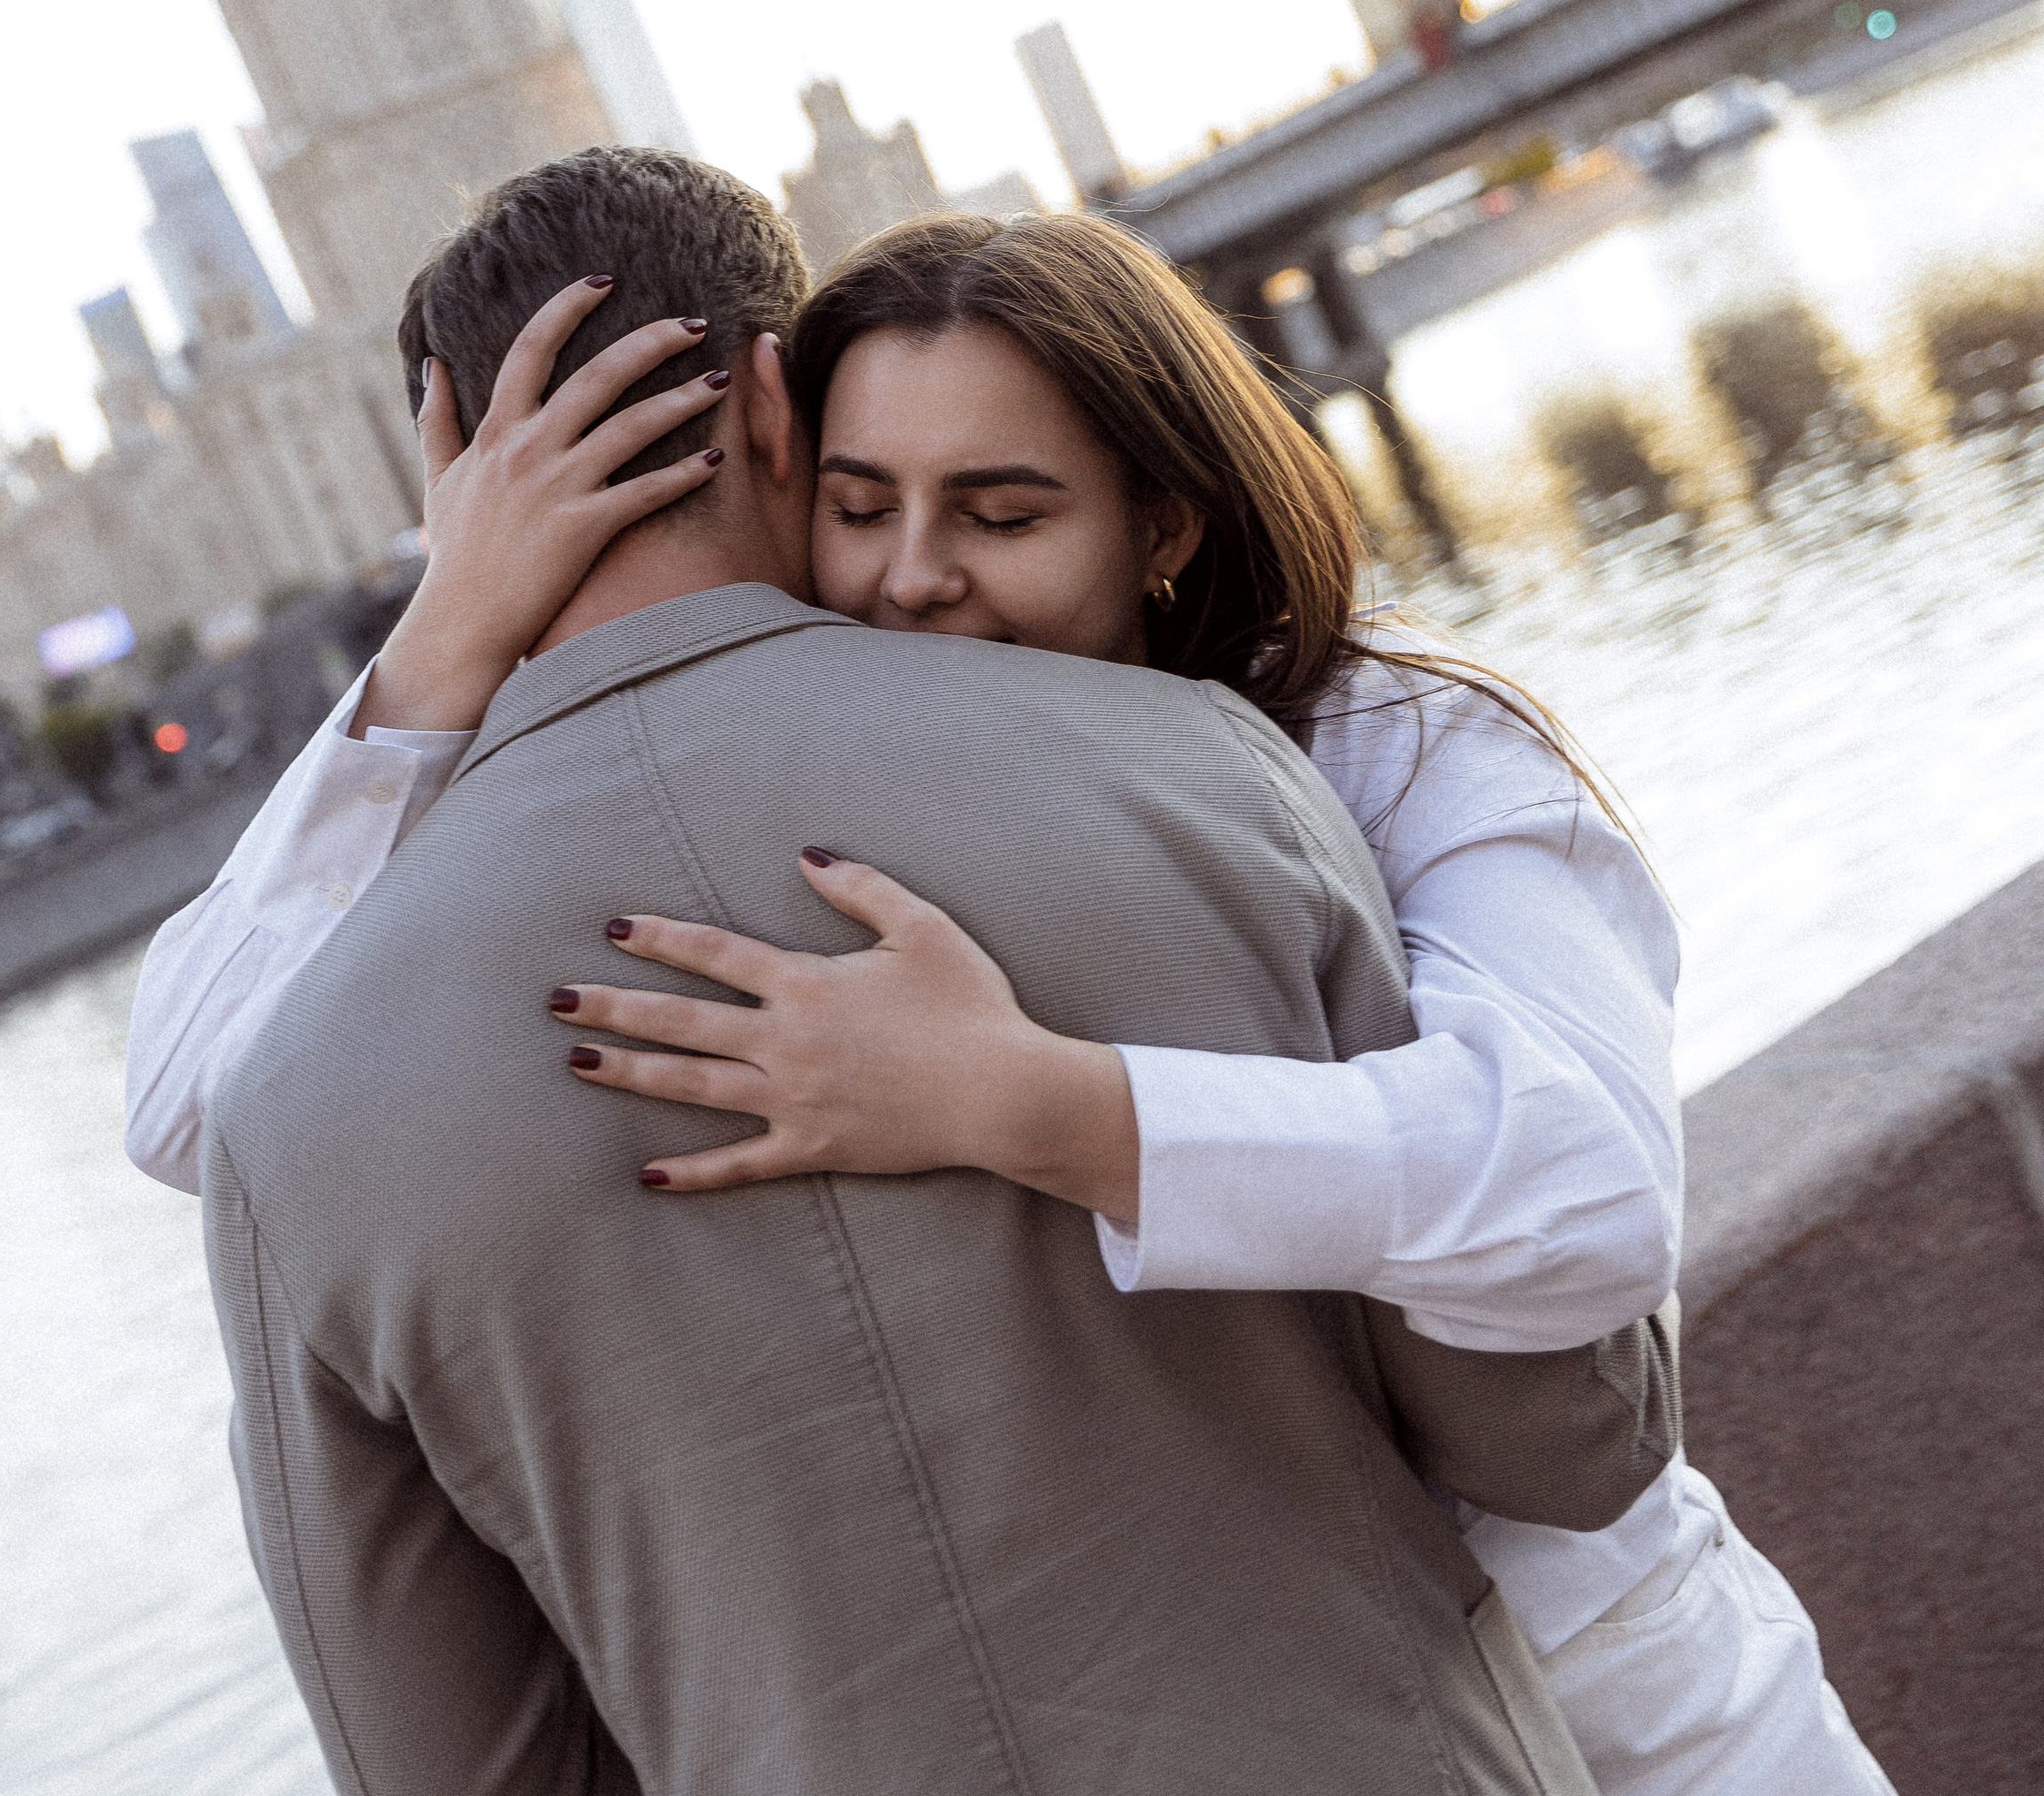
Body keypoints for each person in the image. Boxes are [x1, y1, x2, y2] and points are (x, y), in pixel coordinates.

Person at [130, 177, 1887, 1795]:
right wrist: (442, 633)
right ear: (778, 424)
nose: (913, 576)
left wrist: (1030, 1100)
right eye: (860, 505)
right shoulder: (1195, 788)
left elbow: (1580, 1186)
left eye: (1001, 509)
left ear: (1161, 518)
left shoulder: (1391, 746)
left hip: (1665, 1726)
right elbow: (1560, 1426)